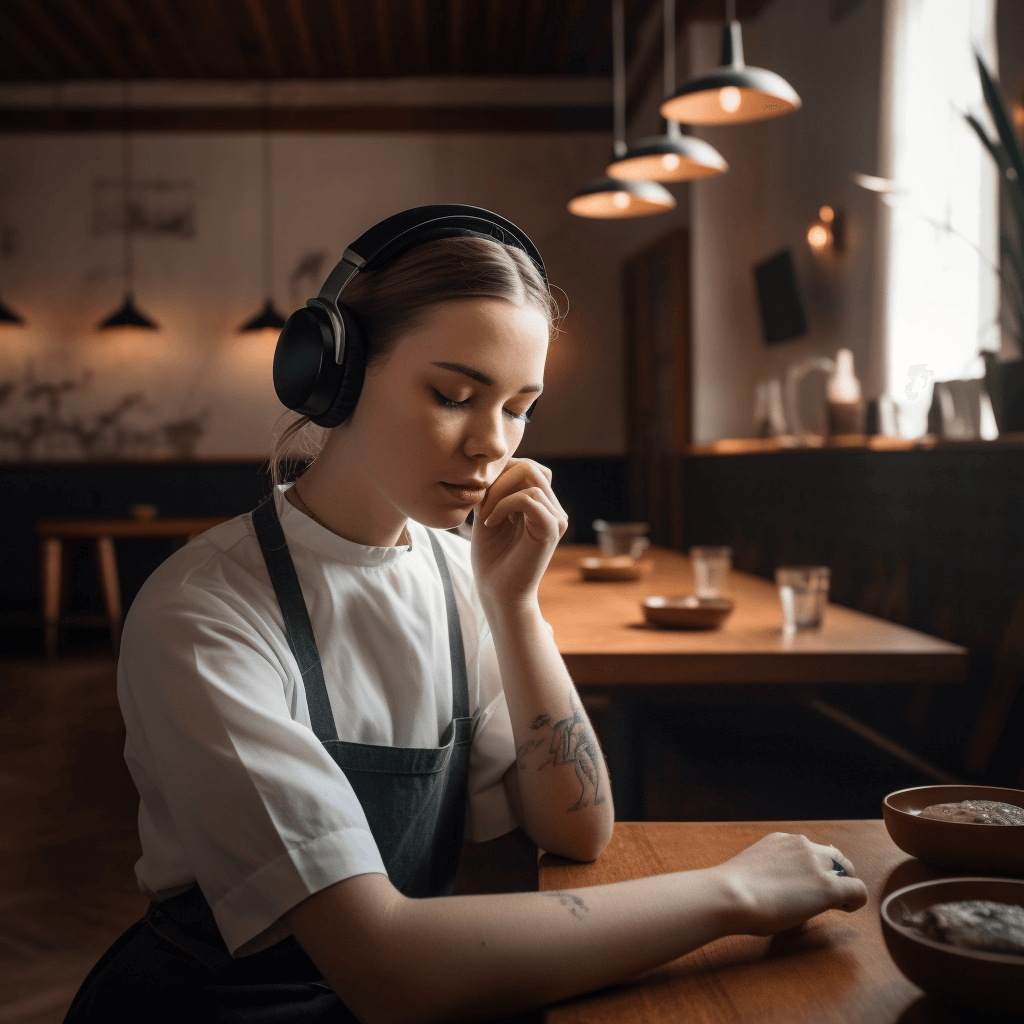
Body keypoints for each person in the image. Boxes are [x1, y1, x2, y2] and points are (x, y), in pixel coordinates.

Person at [64, 207, 867, 1024]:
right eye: (454, 394)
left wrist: (515, 610)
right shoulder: (203, 614)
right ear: (336, 377)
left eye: (519, 406)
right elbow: (384, 964)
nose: (494, 444)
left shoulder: (459, 574)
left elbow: (577, 829)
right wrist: (732, 890)